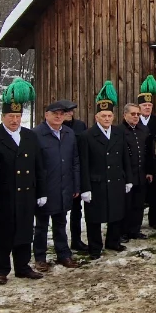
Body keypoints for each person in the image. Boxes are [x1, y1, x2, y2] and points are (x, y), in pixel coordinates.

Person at [0, 78, 46, 284]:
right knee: (3, 233)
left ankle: (22, 266)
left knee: (24, 230)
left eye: (18, 116)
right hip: (4, 194)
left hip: (26, 193)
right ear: (2, 117)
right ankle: (1, 269)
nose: (15, 120)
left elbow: (39, 165)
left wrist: (41, 192)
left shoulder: (30, 136)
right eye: (11, 116)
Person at [78, 81, 131, 259]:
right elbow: (84, 163)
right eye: (103, 116)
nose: (107, 119)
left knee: (116, 213)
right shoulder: (87, 136)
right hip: (97, 182)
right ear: (96, 117)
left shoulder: (118, 133)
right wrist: (85, 188)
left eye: (109, 115)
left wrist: (128, 178)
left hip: (116, 179)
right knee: (94, 217)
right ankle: (95, 247)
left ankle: (113, 241)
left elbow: (125, 157)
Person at [33, 100, 82, 271]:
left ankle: (63, 254)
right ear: (46, 115)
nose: (58, 116)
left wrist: (76, 185)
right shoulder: (36, 134)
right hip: (46, 188)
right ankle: (40, 257)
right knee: (41, 225)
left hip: (64, 186)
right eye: (55, 114)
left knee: (61, 223)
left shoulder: (69, 133)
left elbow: (75, 161)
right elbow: (33, 165)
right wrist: (38, 190)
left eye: (61, 114)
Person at [136, 76, 156, 227]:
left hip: (154, 163)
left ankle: (154, 221)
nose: (147, 107)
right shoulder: (135, 122)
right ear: (139, 107)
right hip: (139, 165)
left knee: (155, 196)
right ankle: (136, 224)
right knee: (139, 197)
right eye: (144, 105)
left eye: (149, 105)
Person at [121, 103, 151, 241]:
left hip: (142, 173)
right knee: (126, 204)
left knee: (139, 204)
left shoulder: (143, 130)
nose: (135, 117)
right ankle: (123, 231)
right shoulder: (118, 131)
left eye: (138, 114)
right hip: (126, 174)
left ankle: (135, 230)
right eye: (132, 114)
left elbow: (148, 152)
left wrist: (149, 171)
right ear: (125, 115)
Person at [64, 102, 89, 253]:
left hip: (76, 172)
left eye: (70, 111)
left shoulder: (80, 126)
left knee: (76, 210)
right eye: (64, 111)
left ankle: (76, 240)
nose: (68, 114)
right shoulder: (56, 127)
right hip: (59, 173)